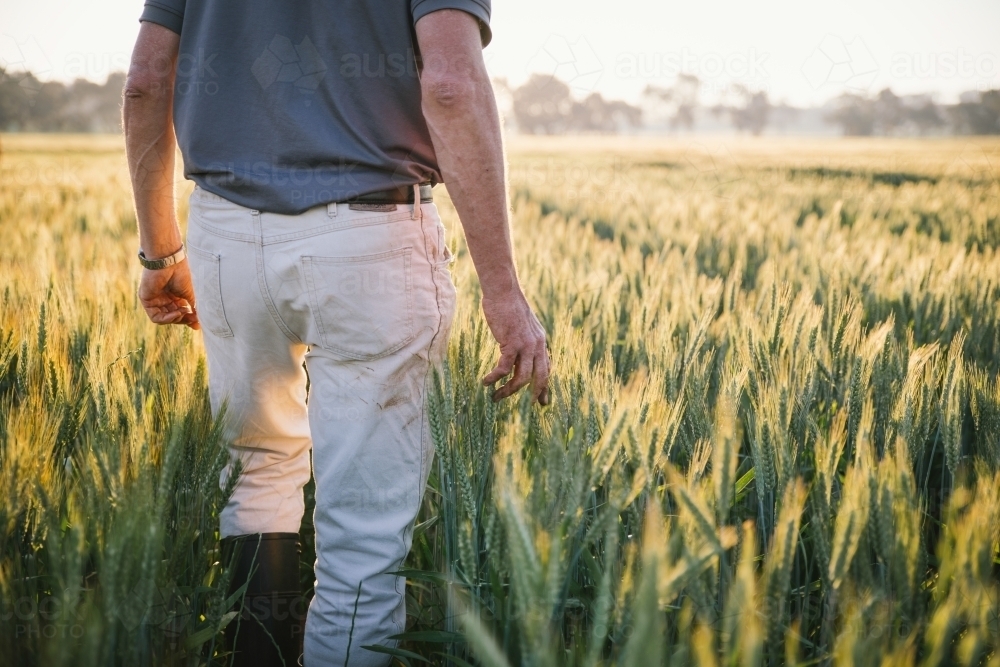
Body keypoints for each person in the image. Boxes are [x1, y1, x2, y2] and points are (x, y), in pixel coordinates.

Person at [123, 2, 550, 665]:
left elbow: (147, 79)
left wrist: (160, 252)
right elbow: (451, 85)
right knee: (363, 535)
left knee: (255, 474)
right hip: (370, 237)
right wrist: (502, 290)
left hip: (224, 234)